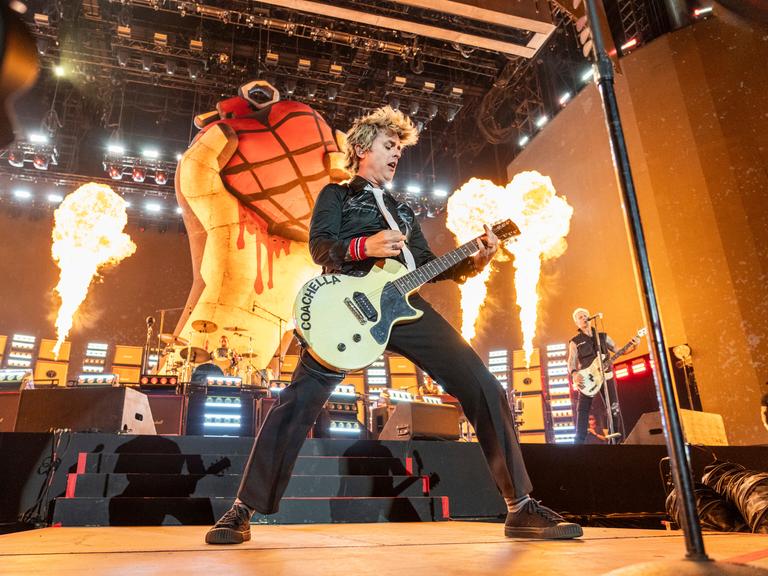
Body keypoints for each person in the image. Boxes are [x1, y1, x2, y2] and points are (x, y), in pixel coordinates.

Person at [205, 106, 582, 544]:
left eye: (400, 149)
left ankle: (520, 509)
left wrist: (476, 257)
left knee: (485, 387)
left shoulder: (404, 212)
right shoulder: (338, 195)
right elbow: (321, 249)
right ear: (363, 149)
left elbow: (428, 267)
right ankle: (242, 511)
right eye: (389, 146)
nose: (396, 155)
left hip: (406, 309)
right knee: (295, 405)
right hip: (349, 307)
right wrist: (366, 244)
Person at [567, 308, 638, 444]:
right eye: (580, 317)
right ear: (576, 322)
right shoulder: (575, 341)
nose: (583, 318)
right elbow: (571, 361)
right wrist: (574, 373)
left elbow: (619, 350)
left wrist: (633, 346)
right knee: (582, 410)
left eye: (585, 316)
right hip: (588, 378)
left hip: (607, 376)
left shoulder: (603, 337)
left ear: (590, 318)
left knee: (613, 407)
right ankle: (579, 443)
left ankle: (616, 441)